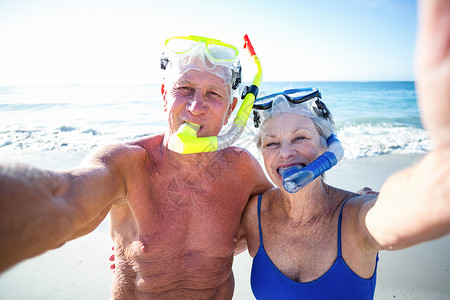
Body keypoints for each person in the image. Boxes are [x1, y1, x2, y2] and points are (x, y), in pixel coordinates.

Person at [0, 35, 273, 299]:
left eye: (213, 93)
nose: (195, 106)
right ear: (165, 95)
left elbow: (284, 221)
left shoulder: (243, 171)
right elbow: (63, 197)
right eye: (185, 89)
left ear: (231, 110)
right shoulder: (125, 164)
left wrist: (220, 245)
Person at [236, 0, 450, 296]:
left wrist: (444, 168)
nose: (285, 153)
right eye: (272, 143)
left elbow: (400, 213)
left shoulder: (356, 217)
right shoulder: (253, 215)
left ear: (328, 146)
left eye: (300, 138)